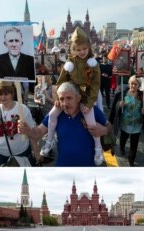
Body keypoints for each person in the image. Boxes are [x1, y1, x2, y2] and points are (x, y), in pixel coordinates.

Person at [39, 27, 104, 165]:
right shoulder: (69, 64)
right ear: (73, 49)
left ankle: (98, 148)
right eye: (78, 49)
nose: (81, 52)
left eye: (84, 49)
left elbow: (95, 85)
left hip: (86, 97)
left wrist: (90, 103)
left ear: (88, 47)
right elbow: (61, 81)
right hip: (70, 96)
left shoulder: (93, 64)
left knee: (91, 122)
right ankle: (49, 142)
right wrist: (58, 99)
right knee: (52, 115)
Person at [19, 82, 111, 167]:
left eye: (69, 98)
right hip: (63, 169)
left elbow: (110, 127)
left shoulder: (91, 111)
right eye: (61, 99)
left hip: (87, 170)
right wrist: (28, 130)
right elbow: (38, 133)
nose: (65, 103)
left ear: (78, 98)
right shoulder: (57, 114)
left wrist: (104, 130)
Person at [0, 80, 40, 167]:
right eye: (0, 94)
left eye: (6, 94)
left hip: (20, 153)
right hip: (0, 154)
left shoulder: (22, 109)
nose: (3, 97)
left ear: (12, 94)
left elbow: (32, 133)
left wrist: (37, 154)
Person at [109, 75, 144, 166]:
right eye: (131, 83)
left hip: (137, 124)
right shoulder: (122, 94)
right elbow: (115, 107)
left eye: (135, 84)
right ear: (129, 84)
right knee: (123, 138)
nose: (133, 86)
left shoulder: (142, 96)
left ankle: (131, 160)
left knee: (134, 144)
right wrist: (119, 105)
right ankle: (122, 147)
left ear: (139, 85)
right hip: (125, 123)